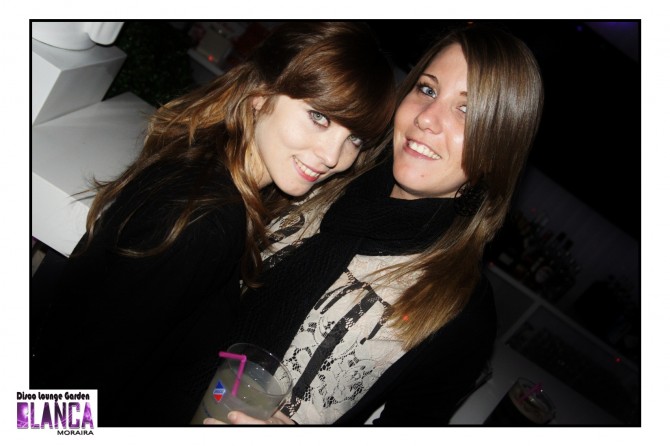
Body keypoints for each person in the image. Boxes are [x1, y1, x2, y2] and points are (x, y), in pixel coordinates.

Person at [29, 21, 396, 427]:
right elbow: (70, 381)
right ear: (261, 95)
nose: (333, 157)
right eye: (319, 116)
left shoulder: (215, 178)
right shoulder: (206, 220)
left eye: (355, 139)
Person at [203, 23, 544, 426]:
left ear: (498, 147)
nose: (427, 119)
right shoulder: (322, 167)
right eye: (427, 89)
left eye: (466, 110)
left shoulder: (462, 313)